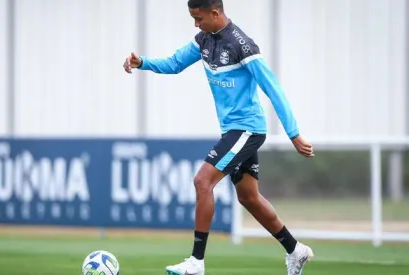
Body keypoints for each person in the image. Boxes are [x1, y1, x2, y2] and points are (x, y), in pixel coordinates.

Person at [123, 0, 315, 274]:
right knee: (248, 197)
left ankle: (196, 262)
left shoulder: (243, 45)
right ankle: (296, 251)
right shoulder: (204, 40)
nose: (195, 24)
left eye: (198, 18)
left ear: (215, 12)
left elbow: (273, 89)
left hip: (247, 129)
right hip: (233, 131)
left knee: (202, 181)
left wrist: (294, 134)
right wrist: (142, 62)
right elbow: (175, 63)